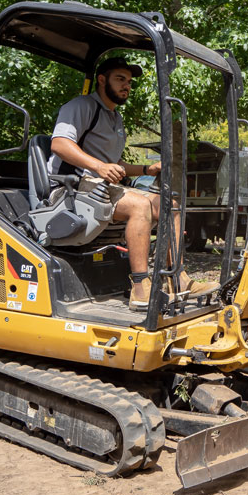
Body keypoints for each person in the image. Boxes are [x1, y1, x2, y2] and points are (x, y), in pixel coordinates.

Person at [49, 56, 218, 309]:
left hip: (99, 188)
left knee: (167, 204)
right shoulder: (82, 106)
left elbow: (113, 165)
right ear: (102, 80)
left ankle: (178, 279)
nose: (126, 85)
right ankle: (140, 288)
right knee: (140, 205)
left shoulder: (115, 118)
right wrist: (99, 166)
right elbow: (59, 144)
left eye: (128, 81)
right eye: (120, 79)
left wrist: (146, 168)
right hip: (70, 189)